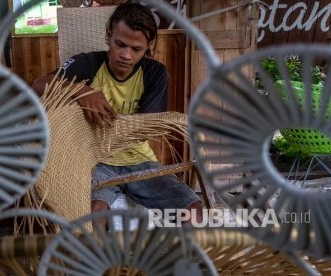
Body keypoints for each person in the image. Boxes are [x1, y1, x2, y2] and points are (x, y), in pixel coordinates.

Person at [32, 2, 203, 227]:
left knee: (194, 212)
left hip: (139, 160)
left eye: (136, 49)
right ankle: (103, 262)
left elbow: (142, 129)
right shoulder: (88, 64)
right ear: (108, 35)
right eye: (120, 44)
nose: (126, 55)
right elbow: (37, 84)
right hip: (95, 161)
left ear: (149, 46)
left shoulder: (154, 73)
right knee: (94, 217)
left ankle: (174, 261)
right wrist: (82, 91)